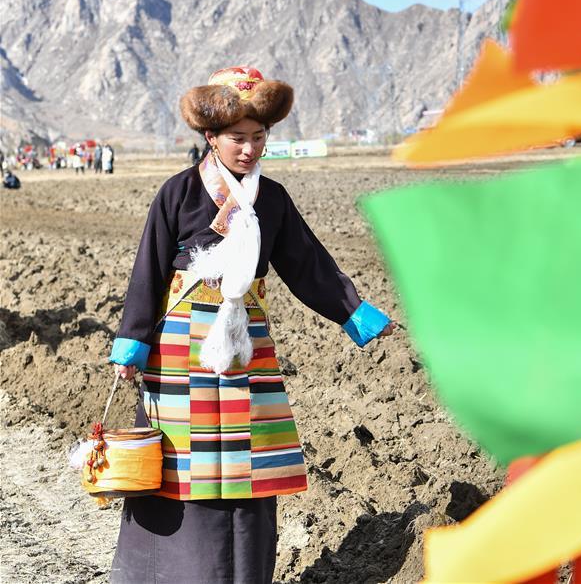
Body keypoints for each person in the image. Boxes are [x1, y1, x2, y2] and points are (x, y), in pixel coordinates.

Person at [107, 66, 395, 584]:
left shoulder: (274, 198)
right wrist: (133, 343)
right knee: (181, 462)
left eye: (258, 137)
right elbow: (148, 271)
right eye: (237, 138)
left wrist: (355, 313)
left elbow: (308, 264)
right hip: (180, 344)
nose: (249, 149)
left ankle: (244, 573)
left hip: (244, 342)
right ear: (210, 137)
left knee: (248, 464)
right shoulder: (177, 193)